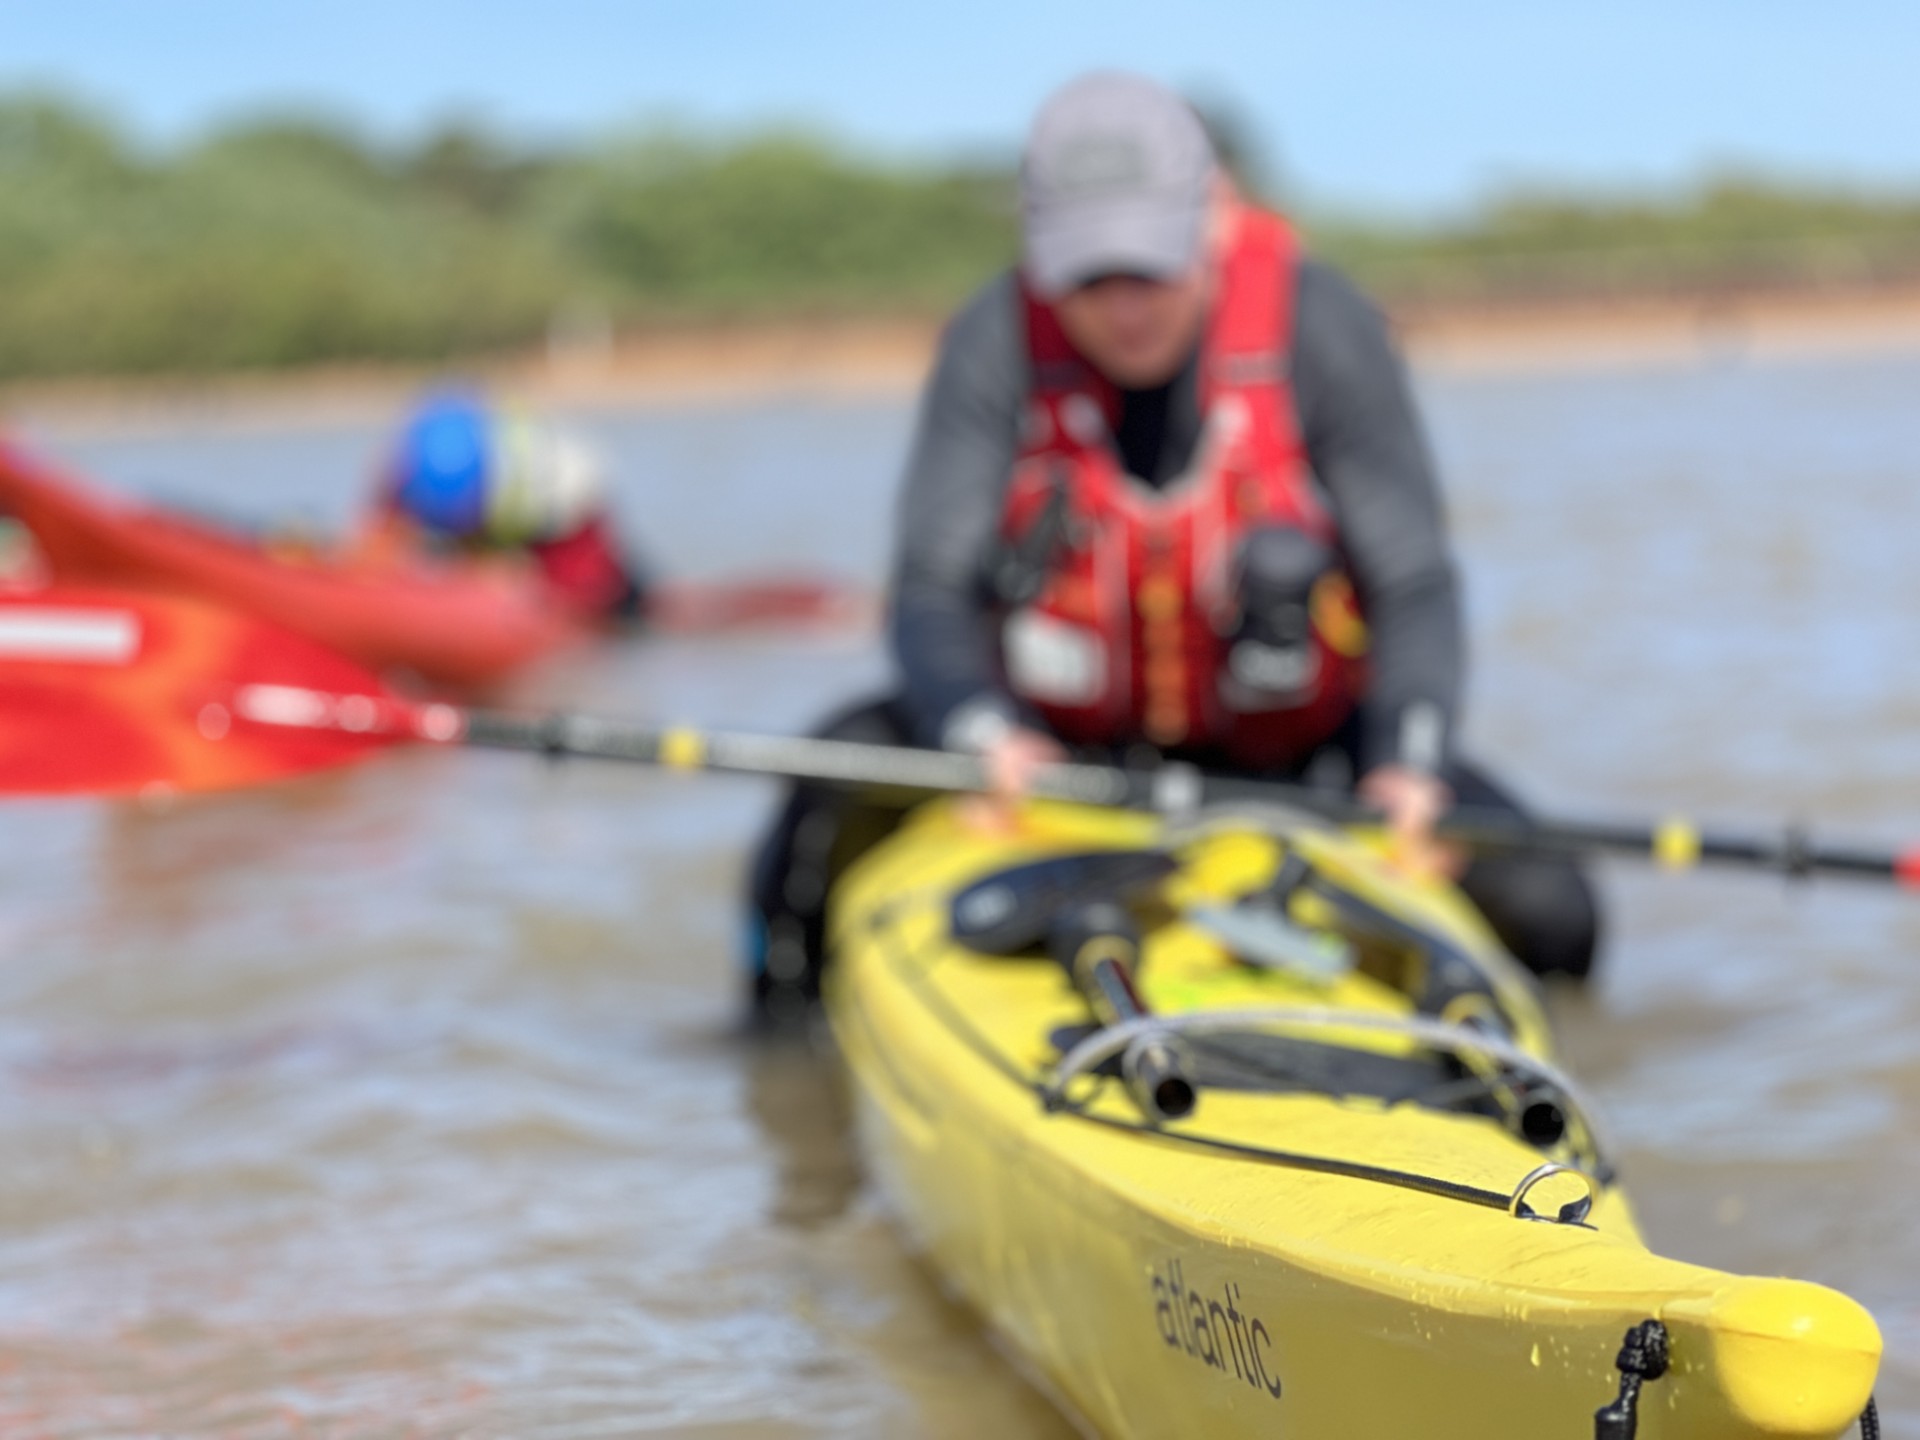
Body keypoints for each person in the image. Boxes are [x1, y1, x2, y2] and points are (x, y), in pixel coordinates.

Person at [746, 72, 1598, 1023]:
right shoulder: (993, 340)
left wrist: (1409, 760)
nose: (1123, 308)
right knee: (821, 794)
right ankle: (781, 1040)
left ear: (1217, 217)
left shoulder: (1323, 325)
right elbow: (930, 588)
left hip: (1295, 754)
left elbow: (1414, 581)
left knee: (1557, 910)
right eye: (1086, 275)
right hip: (1058, 750)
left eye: (1148, 267)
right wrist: (980, 729)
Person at [365, 392, 649, 620]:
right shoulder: (410, 468)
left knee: (615, 601)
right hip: (491, 504)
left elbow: (579, 594)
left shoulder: (562, 493)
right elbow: (377, 542)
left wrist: (514, 579)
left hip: (561, 526)